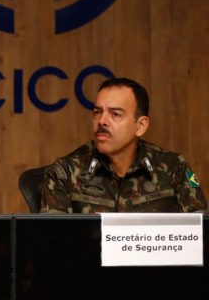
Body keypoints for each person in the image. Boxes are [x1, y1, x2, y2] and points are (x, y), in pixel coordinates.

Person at [41, 77, 206, 213]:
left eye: (115, 114)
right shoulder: (65, 172)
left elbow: (200, 236)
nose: (102, 121)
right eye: (97, 112)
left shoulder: (175, 168)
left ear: (140, 126)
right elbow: (54, 244)